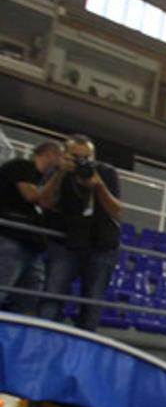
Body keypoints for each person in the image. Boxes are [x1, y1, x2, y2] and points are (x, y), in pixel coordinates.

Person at [36, 134, 122, 332]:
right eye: (75, 157)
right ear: (65, 155)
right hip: (66, 242)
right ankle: (43, 338)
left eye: (86, 158)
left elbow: (116, 211)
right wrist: (59, 174)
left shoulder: (105, 173)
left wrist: (98, 186)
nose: (81, 162)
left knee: (92, 301)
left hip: (102, 245)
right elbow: (45, 202)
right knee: (52, 295)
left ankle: (84, 343)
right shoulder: (57, 171)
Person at [0, 141, 62, 313]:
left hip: (30, 243)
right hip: (9, 237)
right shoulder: (20, 167)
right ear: (50, 154)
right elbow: (33, 197)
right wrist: (59, 174)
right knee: (3, 283)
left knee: (31, 292)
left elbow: (48, 204)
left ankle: (13, 335)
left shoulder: (43, 180)